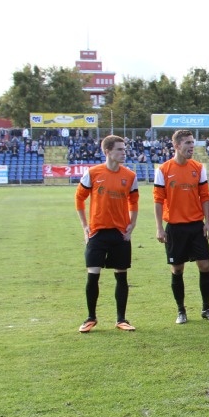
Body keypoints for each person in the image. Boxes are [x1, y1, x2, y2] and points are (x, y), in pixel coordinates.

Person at [153, 129, 209, 324]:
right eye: (187, 143)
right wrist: (159, 227)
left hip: (196, 226)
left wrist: (208, 222)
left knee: (205, 265)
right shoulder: (163, 170)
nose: (192, 146)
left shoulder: (198, 168)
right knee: (177, 269)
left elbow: (205, 197)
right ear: (176, 146)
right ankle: (181, 310)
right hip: (174, 227)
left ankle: (206, 308)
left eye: (192, 143)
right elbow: (158, 200)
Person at [75, 135, 139, 332]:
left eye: (124, 149)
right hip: (97, 233)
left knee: (121, 276)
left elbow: (134, 202)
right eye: (119, 149)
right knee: (93, 275)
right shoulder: (93, 173)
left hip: (120, 234)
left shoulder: (130, 175)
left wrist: (132, 225)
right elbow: (79, 199)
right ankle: (90, 318)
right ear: (108, 151)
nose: (123, 152)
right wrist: (85, 227)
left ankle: (121, 319)